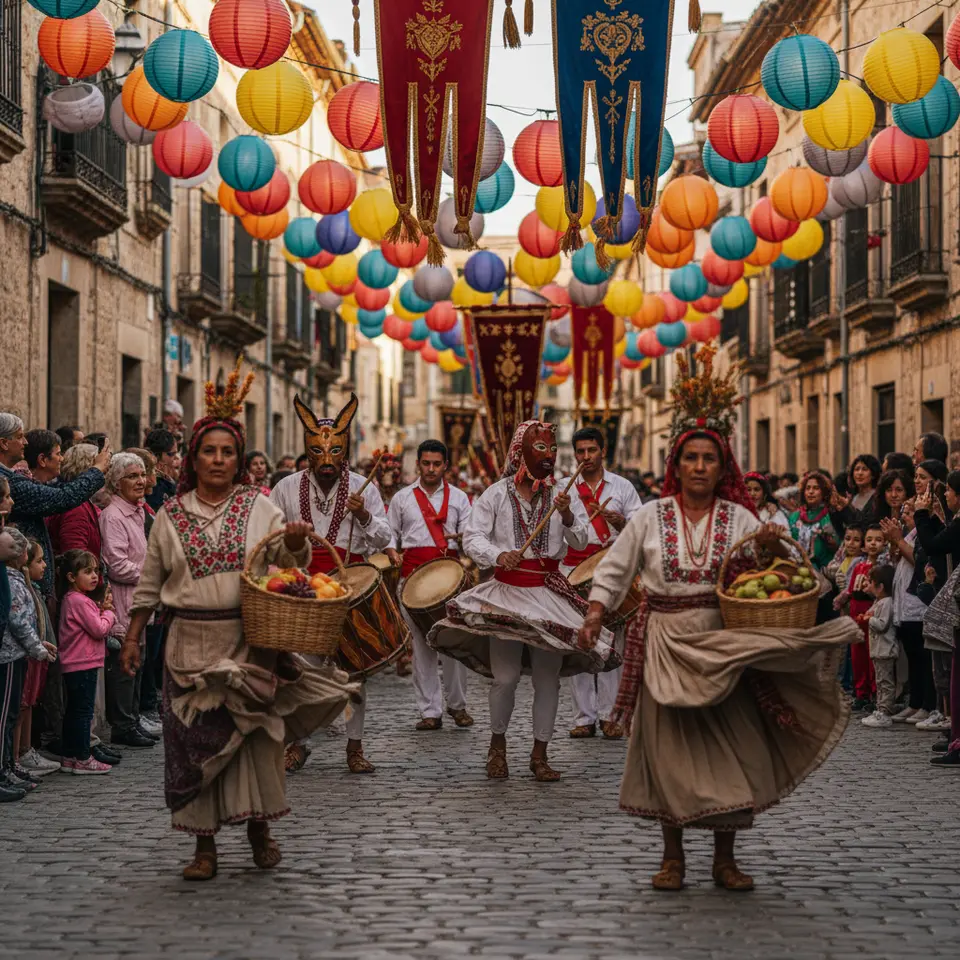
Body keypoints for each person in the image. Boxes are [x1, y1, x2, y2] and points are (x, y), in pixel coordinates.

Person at [578, 344, 856, 892]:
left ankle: (724, 859)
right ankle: (672, 857)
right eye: (690, 459)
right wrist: (594, 613)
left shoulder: (741, 516)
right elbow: (615, 568)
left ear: (720, 466)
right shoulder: (651, 517)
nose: (700, 467)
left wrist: (772, 544)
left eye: (709, 459)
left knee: (733, 745)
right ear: (675, 467)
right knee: (665, 752)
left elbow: (770, 570)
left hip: (724, 642)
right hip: (663, 642)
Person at [120, 359, 358, 881]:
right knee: (191, 746)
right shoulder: (169, 515)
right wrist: (133, 635)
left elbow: (286, 567)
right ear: (194, 457)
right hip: (187, 646)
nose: (219, 460)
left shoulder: (261, 507)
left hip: (249, 642)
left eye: (229, 452)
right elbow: (148, 581)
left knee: (254, 744)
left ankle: (259, 833)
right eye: (209, 451)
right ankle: (204, 848)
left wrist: (295, 543)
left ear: (239, 458)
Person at [428, 420, 615, 783]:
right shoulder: (496, 494)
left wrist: (566, 513)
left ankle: (539, 754)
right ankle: (497, 747)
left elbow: (580, 541)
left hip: (547, 595)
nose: (547, 456)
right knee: (506, 677)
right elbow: (473, 537)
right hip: (506, 595)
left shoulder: (564, 493)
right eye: (539, 449)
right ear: (520, 453)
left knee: (548, 679)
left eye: (551, 449)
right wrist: (498, 556)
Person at [271, 394, 391, 774]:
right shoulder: (287, 488)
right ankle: (297, 743)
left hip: (349, 590)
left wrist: (366, 515)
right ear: (307, 451)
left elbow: (385, 538)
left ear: (344, 451)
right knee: (300, 670)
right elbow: (270, 537)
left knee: (353, 671)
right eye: (318, 453)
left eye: (334, 452)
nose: (326, 461)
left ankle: (354, 747)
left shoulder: (362, 487)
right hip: (304, 589)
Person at [386, 439, 473, 731]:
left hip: (449, 579)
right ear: (418, 464)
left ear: (445, 465)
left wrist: (464, 540)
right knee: (422, 648)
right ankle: (430, 711)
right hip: (412, 579)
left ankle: (457, 705)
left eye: (437, 464)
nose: (431, 469)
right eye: (426, 463)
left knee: (455, 644)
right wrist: (391, 551)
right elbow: (389, 534)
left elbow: (471, 536)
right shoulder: (402, 498)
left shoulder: (460, 498)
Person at [561, 427, 641, 740]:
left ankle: (611, 716)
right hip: (574, 569)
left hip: (611, 569)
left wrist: (620, 521)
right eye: (580, 451)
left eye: (591, 450)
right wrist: (566, 512)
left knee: (612, 643)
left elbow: (639, 525)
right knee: (579, 641)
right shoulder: (564, 488)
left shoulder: (622, 487)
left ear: (602, 451)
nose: (586, 457)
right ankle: (584, 717)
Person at [0, 414, 110, 600]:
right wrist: (97, 470)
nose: (25, 442)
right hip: (23, 584)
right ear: (3, 443)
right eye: (19, 436)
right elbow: (62, 498)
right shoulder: (10, 482)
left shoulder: (12, 478)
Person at [99, 453, 155, 748]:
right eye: (133, 476)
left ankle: (132, 718)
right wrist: (151, 576)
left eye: (142, 474)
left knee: (140, 660)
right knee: (125, 664)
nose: (140, 481)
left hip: (140, 599)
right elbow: (117, 564)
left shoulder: (137, 510)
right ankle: (122, 724)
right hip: (124, 599)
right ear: (117, 483)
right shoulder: (114, 515)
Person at [0, 528, 57, 799]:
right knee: (6, 717)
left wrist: (36, 643)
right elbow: (18, 622)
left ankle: (9, 766)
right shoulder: (11, 582)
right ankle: (3, 769)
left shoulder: (16, 580)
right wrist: (36, 648)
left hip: (18, 653)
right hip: (9, 654)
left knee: (12, 715)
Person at [56, 549, 117, 774]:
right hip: (83, 663)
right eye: (87, 572)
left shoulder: (74, 600)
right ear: (72, 577)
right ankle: (82, 756)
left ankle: (70, 755)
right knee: (83, 711)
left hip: (78, 663)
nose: (94, 577)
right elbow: (99, 629)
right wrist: (109, 614)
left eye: (96, 571)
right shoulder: (79, 601)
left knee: (75, 710)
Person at [881, 499, 937, 725]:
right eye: (904, 511)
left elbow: (919, 560)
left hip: (919, 606)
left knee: (924, 659)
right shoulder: (910, 533)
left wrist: (897, 540)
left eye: (909, 511)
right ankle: (915, 703)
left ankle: (927, 704)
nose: (904, 515)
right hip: (905, 606)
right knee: (913, 658)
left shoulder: (923, 533)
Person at [13, 540, 61, 779]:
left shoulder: (33, 588)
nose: (44, 566)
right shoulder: (18, 585)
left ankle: (25, 750)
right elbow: (19, 622)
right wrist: (36, 646)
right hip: (23, 652)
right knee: (19, 707)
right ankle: (13, 759)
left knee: (29, 703)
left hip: (33, 651)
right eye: (39, 561)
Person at [860, 565, 898, 728]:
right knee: (880, 680)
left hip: (885, 649)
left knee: (885, 681)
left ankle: (886, 710)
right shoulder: (879, 601)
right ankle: (880, 708)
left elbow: (882, 624)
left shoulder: (886, 603)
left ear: (880, 586)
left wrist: (869, 620)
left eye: (872, 583)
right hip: (878, 649)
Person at [788, 472, 839, 571]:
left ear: (824, 492)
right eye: (808, 488)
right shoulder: (795, 516)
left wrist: (832, 543)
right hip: (795, 568)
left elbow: (840, 546)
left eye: (816, 488)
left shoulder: (831, 515)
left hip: (823, 571)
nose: (811, 492)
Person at [831, 454, 881, 533]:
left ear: (873, 474)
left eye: (864, 469)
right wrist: (834, 508)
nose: (860, 473)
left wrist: (847, 508)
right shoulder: (851, 496)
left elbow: (864, 525)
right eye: (857, 469)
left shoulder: (878, 497)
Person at [143, 428, 180, 511]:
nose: (175, 458)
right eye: (171, 454)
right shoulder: (152, 485)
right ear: (156, 456)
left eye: (176, 453)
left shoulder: (169, 477)